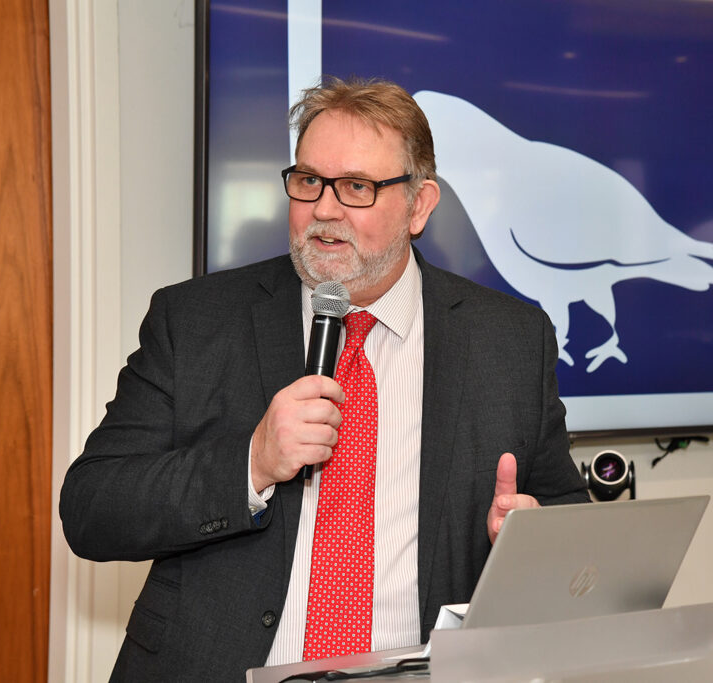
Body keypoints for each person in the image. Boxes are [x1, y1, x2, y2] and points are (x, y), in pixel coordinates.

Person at [60, 76, 588, 680]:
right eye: (309, 181)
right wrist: (251, 463)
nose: (325, 209)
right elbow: (92, 509)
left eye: (357, 187)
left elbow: (560, 513)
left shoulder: (510, 338)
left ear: (419, 206)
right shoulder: (196, 320)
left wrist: (525, 544)